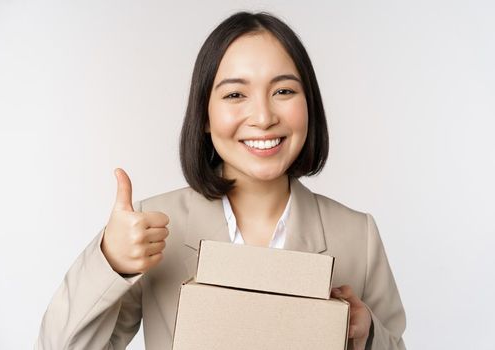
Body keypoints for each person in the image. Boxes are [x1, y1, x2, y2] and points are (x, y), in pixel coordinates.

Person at [36, 11, 406, 350]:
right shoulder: (155, 227)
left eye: (284, 91)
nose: (262, 117)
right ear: (206, 116)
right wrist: (110, 260)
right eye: (235, 94)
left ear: (309, 104)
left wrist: (368, 331)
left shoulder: (359, 235)